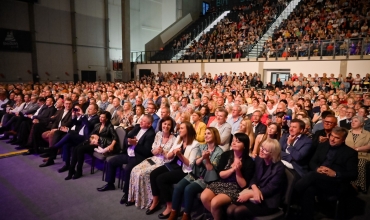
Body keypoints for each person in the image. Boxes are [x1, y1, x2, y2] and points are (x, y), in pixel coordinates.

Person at [294, 127, 358, 220]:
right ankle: (307, 216)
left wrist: (335, 173)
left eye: (336, 138)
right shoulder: (323, 145)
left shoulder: (350, 153)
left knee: (312, 175)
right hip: (319, 178)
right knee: (309, 189)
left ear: (343, 140)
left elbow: (353, 174)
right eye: (331, 135)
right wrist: (317, 168)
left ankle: (293, 195)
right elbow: (312, 162)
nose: (332, 139)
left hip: (336, 182)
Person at [96, 115, 155, 205]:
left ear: (149, 124)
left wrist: (135, 144)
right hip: (128, 153)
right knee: (111, 161)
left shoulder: (151, 134)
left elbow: (146, 152)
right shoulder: (137, 127)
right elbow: (127, 136)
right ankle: (110, 184)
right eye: (141, 120)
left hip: (138, 157)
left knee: (128, 169)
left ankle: (127, 193)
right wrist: (128, 141)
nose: (141, 122)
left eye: (143, 121)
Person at [168, 127, 224, 220]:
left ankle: (186, 215)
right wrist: (203, 158)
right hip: (195, 173)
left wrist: (207, 159)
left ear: (215, 135)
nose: (206, 135)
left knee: (188, 189)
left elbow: (210, 170)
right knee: (178, 187)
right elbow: (196, 163)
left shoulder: (219, 152)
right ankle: (174, 212)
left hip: (206, 178)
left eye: (209, 133)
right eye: (205, 133)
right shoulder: (202, 146)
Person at [146, 122, 199, 219]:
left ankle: (170, 206)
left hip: (185, 170)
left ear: (188, 130)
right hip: (174, 164)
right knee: (153, 174)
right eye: (179, 128)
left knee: (161, 179)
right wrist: (164, 152)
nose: (179, 130)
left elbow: (190, 164)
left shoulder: (195, 144)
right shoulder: (179, 139)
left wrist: (179, 155)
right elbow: (169, 154)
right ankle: (155, 200)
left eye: (182, 128)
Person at [227, 139, 286, 220]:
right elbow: (254, 177)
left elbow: (270, 189)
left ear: (273, 154)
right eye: (262, 147)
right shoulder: (259, 159)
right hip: (255, 193)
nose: (261, 150)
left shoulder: (279, 168)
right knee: (230, 210)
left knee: (238, 211)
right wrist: (255, 189)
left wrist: (249, 195)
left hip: (268, 201)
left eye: (265, 150)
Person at [200, 133, 255, 220]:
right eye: (233, 141)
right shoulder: (226, 155)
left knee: (215, 202)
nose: (233, 143)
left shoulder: (249, 162)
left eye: (238, 141)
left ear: (244, 145)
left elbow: (243, 185)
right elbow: (220, 174)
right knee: (204, 197)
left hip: (234, 187)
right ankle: (218, 216)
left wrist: (238, 171)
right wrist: (232, 169)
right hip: (221, 182)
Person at [125, 116, 176, 208]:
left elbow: (171, 158)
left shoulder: (174, 139)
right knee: (135, 170)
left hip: (163, 162)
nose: (166, 126)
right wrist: (156, 151)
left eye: (169, 124)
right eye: (164, 124)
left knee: (142, 173)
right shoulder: (158, 134)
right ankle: (135, 197)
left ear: (171, 127)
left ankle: (150, 200)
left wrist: (163, 152)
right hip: (154, 158)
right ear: (161, 124)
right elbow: (152, 150)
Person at [65, 111, 117, 180]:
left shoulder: (110, 126)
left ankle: (79, 171)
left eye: (103, 117)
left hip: (99, 145)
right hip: (92, 142)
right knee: (76, 148)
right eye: (100, 117)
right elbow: (91, 134)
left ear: (107, 119)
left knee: (80, 150)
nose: (100, 118)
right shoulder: (98, 125)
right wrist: (93, 137)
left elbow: (115, 137)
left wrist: (112, 146)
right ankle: (71, 171)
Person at [345, 116, 370, 192]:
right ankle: (351, 184)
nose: (353, 122)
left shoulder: (368, 134)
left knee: (361, 163)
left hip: (362, 155)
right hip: (348, 155)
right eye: (352, 121)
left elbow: (369, 146)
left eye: (356, 121)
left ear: (362, 123)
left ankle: (360, 186)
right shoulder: (346, 132)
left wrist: (356, 149)